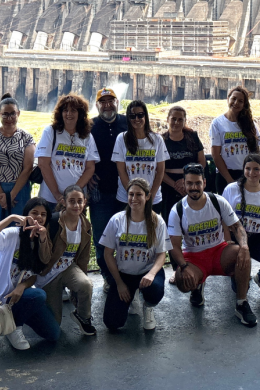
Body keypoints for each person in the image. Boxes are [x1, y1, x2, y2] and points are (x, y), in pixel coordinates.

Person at [168, 163, 257, 327]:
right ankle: (197, 287)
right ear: (184, 184)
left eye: (197, 183)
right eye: (189, 184)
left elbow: (238, 227)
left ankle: (241, 303)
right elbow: (173, 246)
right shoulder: (178, 210)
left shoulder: (217, 201)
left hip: (218, 252)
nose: (194, 187)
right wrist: (183, 266)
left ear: (204, 182)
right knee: (182, 280)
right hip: (194, 258)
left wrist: (244, 247)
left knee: (242, 254)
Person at [0, 198, 60, 351]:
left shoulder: (42, 238)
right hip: (5, 297)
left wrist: (22, 286)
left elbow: (38, 270)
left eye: (43, 214)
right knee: (39, 295)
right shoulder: (13, 235)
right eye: (34, 213)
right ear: (26, 215)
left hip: (22, 295)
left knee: (54, 334)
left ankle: (20, 317)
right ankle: (14, 328)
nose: (39, 217)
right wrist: (11, 218)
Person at [100, 178, 171, 331]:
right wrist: (118, 283)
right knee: (112, 323)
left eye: (139, 194)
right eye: (131, 194)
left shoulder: (157, 221)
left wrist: (151, 274)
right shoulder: (117, 220)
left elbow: (161, 255)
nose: (134, 198)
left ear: (147, 196)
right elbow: (107, 254)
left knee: (154, 290)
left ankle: (148, 306)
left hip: (147, 272)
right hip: (124, 274)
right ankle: (132, 296)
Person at [35, 185, 96, 335]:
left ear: (85, 202)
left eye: (79, 201)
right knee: (54, 329)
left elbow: (83, 258)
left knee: (85, 284)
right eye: (72, 201)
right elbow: (44, 257)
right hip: (49, 272)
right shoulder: (54, 222)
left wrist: (77, 290)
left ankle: (83, 317)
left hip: (68, 267)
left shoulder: (85, 225)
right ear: (63, 202)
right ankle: (34, 314)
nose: (76, 205)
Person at [221, 154, 260, 301]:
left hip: (255, 239)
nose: (252, 173)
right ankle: (237, 276)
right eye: (248, 168)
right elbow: (222, 217)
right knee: (240, 288)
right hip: (235, 240)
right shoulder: (231, 189)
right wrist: (227, 240)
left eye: (256, 169)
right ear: (243, 170)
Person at [87, 87, 129, 289]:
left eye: (111, 101)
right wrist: (87, 175)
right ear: (97, 105)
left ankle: (124, 274)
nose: (107, 105)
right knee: (102, 237)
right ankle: (107, 276)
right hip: (100, 192)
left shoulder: (127, 122)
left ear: (117, 103)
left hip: (125, 192)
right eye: (103, 102)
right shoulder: (89, 126)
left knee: (124, 236)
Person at [0, 93, 35, 231]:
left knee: (18, 232)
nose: (9, 118)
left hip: (19, 190)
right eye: (5, 114)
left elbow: (28, 168)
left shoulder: (27, 138)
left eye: (12, 114)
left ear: (18, 113)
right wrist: (2, 196)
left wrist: (11, 195)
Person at [36, 93, 99, 205]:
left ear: (80, 114)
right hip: (50, 199)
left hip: (76, 202)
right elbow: (43, 164)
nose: (69, 114)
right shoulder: (51, 132)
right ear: (60, 113)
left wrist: (73, 193)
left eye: (73, 110)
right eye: (65, 110)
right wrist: (57, 194)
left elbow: (90, 167)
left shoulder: (86, 136)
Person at [112, 100, 168, 213]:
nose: (136, 119)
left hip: (153, 198)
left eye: (140, 115)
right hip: (126, 198)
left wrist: (150, 196)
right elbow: (121, 171)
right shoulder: (121, 138)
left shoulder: (157, 139)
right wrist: (132, 195)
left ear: (145, 116)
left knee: (151, 230)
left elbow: (160, 171)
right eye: (132, 116)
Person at [210, 86, 260, 192]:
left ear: (244, 104)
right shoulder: (217, 123)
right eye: (233, 99)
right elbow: (216, 155)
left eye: (240, 101)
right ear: (228, 98)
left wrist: (254, 174)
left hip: (247, 174)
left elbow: (256, 151)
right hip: (225, 174)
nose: (236, 103)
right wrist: (229, 179)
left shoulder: (249, 123)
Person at [160, 105, 207, 225]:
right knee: (170, 221)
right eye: (173, 119)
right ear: (167, 119)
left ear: (185, 121)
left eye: (180, 119)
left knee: (193, 221)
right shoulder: (161, 140)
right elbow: (158, 168)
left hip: (192, 184)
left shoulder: (192, 137)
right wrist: (176, 185)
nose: (176, 122)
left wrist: (187, 181)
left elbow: (202, 162)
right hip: (169, 185)